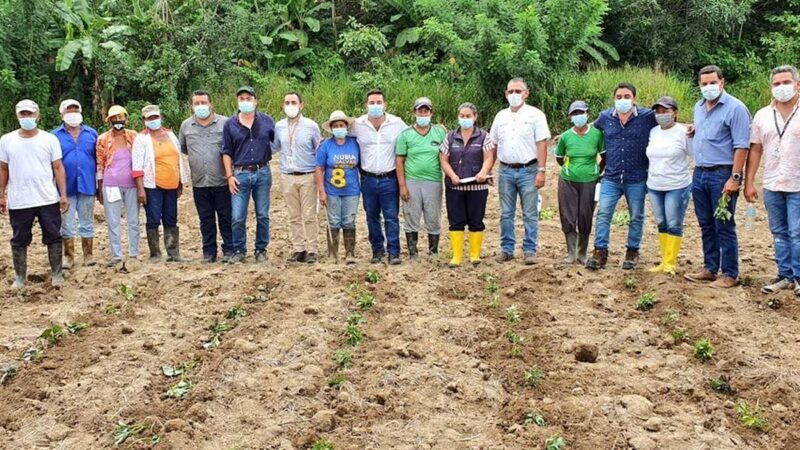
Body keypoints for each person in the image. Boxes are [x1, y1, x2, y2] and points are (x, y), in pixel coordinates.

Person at [684, 65, 751, 288]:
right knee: (705, 223)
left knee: (723, 223)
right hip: (700, 172)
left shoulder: (736, 108)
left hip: (722, 174)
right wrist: (694, 131)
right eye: (704, 84)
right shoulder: (699, 107)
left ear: (722, 82)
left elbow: (741, 146)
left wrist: (735, 177)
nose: (708, 87)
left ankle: (730, 273)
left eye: (713, 82)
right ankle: (710, 268)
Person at [585, 82, 657, 270]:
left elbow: (669, 122)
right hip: (611, 176)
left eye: (627, 97)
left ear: (634, 99)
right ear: (614, 99)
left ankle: (632, 251)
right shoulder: (605, 117)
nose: (623, 100)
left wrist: (689, 128)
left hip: (637, 176)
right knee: (603, 214)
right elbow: (590, 129)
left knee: (636, 216)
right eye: (619, 97)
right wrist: (566, 135)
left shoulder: (647, 117)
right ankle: (600, 251)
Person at [0, 100, 68, 288]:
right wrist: (1, 195)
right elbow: (3, 169)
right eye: (23, 114)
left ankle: (56, 274)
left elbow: (58, 167)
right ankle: (20, 277)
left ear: (37, 116)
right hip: (20, 200)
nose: (27, 117)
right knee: (19, 238)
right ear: (17, 116)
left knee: (53, 235)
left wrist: (63, 194)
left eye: (30, 114)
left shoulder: (49, 139)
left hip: (46, 197)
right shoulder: (7, 140)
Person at [745, 65, 800, 295]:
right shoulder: (762, 115)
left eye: (786, 82)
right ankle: (784, 275)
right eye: (776, 84)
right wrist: (749, 182)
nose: (781, 87)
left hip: (798, 183)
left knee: (797, 232)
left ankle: (798, 276)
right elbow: (755, 149)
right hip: (772, 183)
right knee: (778, 231)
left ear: (797, 84)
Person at [490, 78, 551, 265]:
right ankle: (507, 249)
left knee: (530, 213)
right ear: (506, 94)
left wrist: (541, 171)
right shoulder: (500, 117)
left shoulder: (536, 115)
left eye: (518, 91)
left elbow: (542, 143)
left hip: (529, 170)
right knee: (506, 213)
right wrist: (489, 169)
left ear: (526, 93)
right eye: (511, 91)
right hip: (506, 170)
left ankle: (530, 250)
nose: (514, 95)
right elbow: (493, 144)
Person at [351, 89, 407, 265]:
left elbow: (412, 137)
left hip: (389, 178)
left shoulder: (397, 124)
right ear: (366, 105)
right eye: (372, 103)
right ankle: (377, 250)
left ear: (385, 105)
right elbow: (341, 136)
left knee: (391, 216)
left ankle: (394, 252)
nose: (375, 106)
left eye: (378, 102)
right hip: (367, 179)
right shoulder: (357, 125)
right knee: (372, 217)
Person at [222, 86, 275, 264]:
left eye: (248, 98)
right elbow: (226, 151)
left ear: (255, 101)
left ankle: (261, 250)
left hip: (262, 172)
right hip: (240, 174)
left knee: (262, 214)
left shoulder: (267, 121)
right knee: (237, 216)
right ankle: (239, 249)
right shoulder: (230, 124)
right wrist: (229, 176)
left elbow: (277, 143)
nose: (245, 101)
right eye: (242, 98)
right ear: (237, 101)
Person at [179, 90, 233, 264]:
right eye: (197, 103)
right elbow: (184, 149)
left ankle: (230, 249)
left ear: (211, 104)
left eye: (204, 102)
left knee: (226, 216)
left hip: (222, 180)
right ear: (191, 106)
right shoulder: (186, 126)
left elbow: (231, 148)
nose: (201, 106)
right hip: (199, 182)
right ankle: (209, 252)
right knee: (205, 219)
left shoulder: (225, 123)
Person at [440, 102, 494, 267]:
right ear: (458, 117)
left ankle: (474, 255)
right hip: (454, 187)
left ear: (475, 117)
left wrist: (483, 172)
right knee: (456, 220)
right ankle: (456, 256)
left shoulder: (484, 136)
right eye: (462, 116)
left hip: (477, 187)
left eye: (468, 116)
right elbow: (444, 160)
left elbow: (489, 157)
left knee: (476, 220)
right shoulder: (450, 137)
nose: (465, 119)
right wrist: (452, 175)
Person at [132, 104, 188, 263]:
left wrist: (180, 182)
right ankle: (155, 253)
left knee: (171, 218)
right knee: (153, 218)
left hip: (171, 184)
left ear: (160, 117)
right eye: (149, 118)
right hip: (152, 186)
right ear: (144, 120)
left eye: (155, 117)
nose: (153, 120)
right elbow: (137, 167)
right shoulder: (141, 139)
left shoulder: (171, 135)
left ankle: (173, 252)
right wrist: (141, 189)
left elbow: (178, 159)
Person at [273, 91, 322, 263]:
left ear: (301, 105)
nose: (290, 106)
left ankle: (312, 249)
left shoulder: (311, 126)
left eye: (293, 102)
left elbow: (319, 149)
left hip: (307, 175)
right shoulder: (278, 126)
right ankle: (298, 248)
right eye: (287, 103)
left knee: (309, 215)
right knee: (293, 215)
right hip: (287, 176)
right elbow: (274, 147)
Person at [396, 97, 447, 261]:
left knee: (433, 216)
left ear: (431, 113)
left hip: (433, 181)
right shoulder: (405, 135)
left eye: (426, 111)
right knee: (411, 215)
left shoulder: (440, 132)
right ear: (414, 113)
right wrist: (402, 186)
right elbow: (400, 161)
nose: (423, 114)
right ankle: (413, 252)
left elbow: (445, 156)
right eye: (420, 111)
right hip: (412, 181)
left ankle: (433, 251)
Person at [645, 96, 692, 275]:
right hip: (655, 184)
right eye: (658, 111)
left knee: (674, 222)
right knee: (661, 222)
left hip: (677, 185)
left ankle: (670, 263)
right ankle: (663, 261)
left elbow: (694, 153)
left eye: (666, 111)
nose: (661, 114)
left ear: (675, 113)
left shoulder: (684, 132)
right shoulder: (653, 132)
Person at [554, 100, 605, 265]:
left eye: (581, 113)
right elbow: (559, 158)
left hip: (590, 180)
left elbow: (605, 156)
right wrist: (570, 170)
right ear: (570, 117)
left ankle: (582, 253)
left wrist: (596, 171)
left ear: (587, 114)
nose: (578, 116)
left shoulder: (597, 134)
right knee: (568, 215)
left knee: (585, 215)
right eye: (574, 114)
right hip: (568, 180)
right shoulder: (566, 137)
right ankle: (571, 253)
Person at [53, 99, 98, 268]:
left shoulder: (91, 134)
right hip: (65, 187)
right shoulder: (54, 136)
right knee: (67, 223)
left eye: (75, 110)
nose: (72, 113)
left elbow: (98, 159)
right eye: (68, 110)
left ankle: (88, 255)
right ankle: (69, 257)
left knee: (87, 221)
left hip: (87, 185)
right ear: (62, 114)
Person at [96, 105, 140, 266]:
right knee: (113, 221)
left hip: (132, 184)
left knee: (133, 220)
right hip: (110, 184)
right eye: (114, 119)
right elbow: (100, 164)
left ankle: (134, 253)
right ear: (109, 121)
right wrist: (99, 188)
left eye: (120, 118)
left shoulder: (134, 137)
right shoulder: (103, 139)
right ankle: (116, 255)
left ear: (126, 119)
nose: (118, 121)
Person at [316, 110, 360, 263]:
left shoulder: (355, 143)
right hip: (332, 190)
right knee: (333, 221)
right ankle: (332, 253)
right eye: (336, 125)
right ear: (331, 128)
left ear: (346, 126)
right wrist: (321, 191)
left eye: (342, 125)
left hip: (352, 190)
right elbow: (319, 169)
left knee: (349, 220)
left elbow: (361, 165)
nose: (339, 127)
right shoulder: (326, 145)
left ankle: (350, 253)